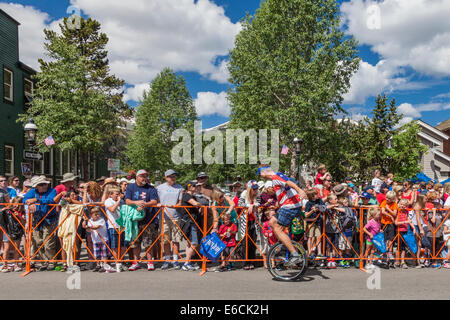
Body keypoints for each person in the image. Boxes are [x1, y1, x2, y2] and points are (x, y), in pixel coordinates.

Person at [258, 165, 306, 267]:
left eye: (260, 173)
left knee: (278, 229)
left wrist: (299, 190)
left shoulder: (276, 176)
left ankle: (294, 254)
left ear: (264, 172)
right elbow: (285, 189)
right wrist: (279, 204)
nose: (261, 176)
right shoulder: (276, 178)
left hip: (290, 206)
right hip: (286, 206)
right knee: (272, 222)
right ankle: (284, 246)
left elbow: (289, 182)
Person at [125, 170, 159, 271]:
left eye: (146, 176)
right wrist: (136, 203)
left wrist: (144, 204)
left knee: (148, 242)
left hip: (148, 219)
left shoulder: (151, 188)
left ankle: (150, 262)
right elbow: (127, 201)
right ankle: (136, 262)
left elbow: (154, 201)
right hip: (134, 219)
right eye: (142, 176)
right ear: (137, 177)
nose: (144, 178)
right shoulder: (131, 187)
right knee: (135, 242)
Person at [23, 176, 58, 271]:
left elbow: (51, 200)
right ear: (36, 186)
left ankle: (51, 261)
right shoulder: (32, 192)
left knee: (48, 242)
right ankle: (44, 261)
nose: (44, 186)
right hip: (37, 219)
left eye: (45, 184)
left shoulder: (52, 191)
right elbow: (25, 199)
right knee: (38, 242)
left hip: (49, 219)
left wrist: (37, 200)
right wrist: (29, 203)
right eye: (41, 185)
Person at [156, 169, 184, 270]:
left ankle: (175, 260)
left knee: (176, 240)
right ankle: (167, 260)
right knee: (166, 239)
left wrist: (175, 206)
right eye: (171, 176)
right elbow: (157, 202)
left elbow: (180, 203)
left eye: (174, 176)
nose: (173, 178)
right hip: (163, 217)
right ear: (166, 178)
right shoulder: (159, 188)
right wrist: (158, 204)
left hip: (176, 217)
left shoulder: (180, 188)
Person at [178, 181, 202, 271]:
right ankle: (186, 263)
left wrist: (199, 208)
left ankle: (188, 263)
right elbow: (195, 204)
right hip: (189, 221)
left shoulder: (193, 196)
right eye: (194, 186)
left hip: (193, 221)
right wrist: (201, 205)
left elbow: (196, 207)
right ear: (189, 187)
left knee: (190, 243)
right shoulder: (187, 196)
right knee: (194, 243)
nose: (196, 187)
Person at [238, 180, 261, 270]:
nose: (255, 190)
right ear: (249, 189)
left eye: (256, 188)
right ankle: (245, 262)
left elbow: (259, 203)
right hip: (245, 221)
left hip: (254, 221)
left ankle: (252, 261)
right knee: (245, 242)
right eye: (254, 189)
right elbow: (239, 204)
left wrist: (253, 205)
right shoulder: (244, 194)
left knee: (253, 241)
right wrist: (249, 205)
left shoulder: (257, 194)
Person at [85, 207, 114, 273]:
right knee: (97, 254)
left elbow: (96, 227)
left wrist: (89, 227)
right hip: (95, 240)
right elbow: (89, 230)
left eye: (98, 214)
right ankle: (98, 265)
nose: (97, 216)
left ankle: (105, 265)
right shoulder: (90, 221)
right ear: (91, 215)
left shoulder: (101, 220)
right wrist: (86, 226)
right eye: (95, 214)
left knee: (104, 254)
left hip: (103, 239)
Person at [1, 197, 25, 273]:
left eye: (18, 204)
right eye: (15, 204)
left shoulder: (22, 211)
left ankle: (16, 264)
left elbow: (24, 222)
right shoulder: (7, 210)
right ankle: (5, 264)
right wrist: (3, 210)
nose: (16, 206)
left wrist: (18, 216)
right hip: (7, 230)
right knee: (6, 248)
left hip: (17, 231)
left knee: (16, 249)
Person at [105, 187, 126, 272]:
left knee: (123, 245)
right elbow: (112, 209)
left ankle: (120, 261)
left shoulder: (122, 202)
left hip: (122, 225)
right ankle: (117, 262)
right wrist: (118, 201)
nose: (118, 196)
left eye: (119, 194)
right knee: (115, 246)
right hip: (113, 225)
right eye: (116, 194)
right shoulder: (108, 201)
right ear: (111, 195)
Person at [304, 189, 325, 259]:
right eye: (316, 194)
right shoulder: (308, 203)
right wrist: (312, 210)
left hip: (318, 221)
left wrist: (318, 208)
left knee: (318, 236)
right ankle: (309, 252)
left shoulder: (319, 201)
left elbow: (323, 207)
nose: (318, 195)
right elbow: (306, 215)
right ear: (312, 196)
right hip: (310, 222)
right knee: (310, 237)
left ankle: (319, 252)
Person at [395, 199, 416, 269]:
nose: (402, 206)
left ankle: (403, 262)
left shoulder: (406, 212)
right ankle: (397, 261)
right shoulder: (397, 211)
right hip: (398, 230)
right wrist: (405, 222)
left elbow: (409, 221)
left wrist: (413, 228)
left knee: (404, 247)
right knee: (398, 247)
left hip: (405, 231)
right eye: (401, 204)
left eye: (404, 205)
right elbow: (396, 223)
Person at [379, 191, 398, 267]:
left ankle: (390, 254)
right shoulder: (384, 202)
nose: (387, 199)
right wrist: (390, 216)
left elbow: (394, 213)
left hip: (390, 224)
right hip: (384, 223)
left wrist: (389, 210)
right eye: (386, 197)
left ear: (393, 199)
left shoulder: (394, 204)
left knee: (390, 239)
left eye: (389, 198)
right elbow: (383, 211)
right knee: (384, 239)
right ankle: (385, 255)